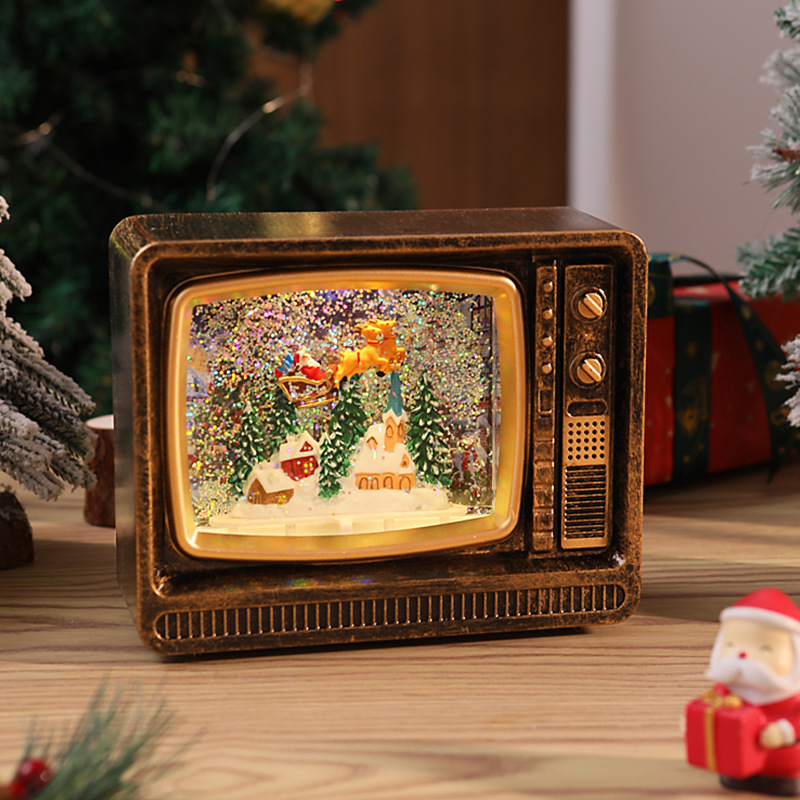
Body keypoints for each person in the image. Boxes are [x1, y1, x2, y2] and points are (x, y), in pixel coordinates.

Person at [703, 588, 800, 796]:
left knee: (780, 778)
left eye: (765, 649)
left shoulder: (791, 695)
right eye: (730, 644)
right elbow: (711, 706)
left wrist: (783, 731)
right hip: (738, 756)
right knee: (737, 771)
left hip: (780, 758)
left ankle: (781, 778)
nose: (743, 654)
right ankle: (741, 775)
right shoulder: (726, 690)